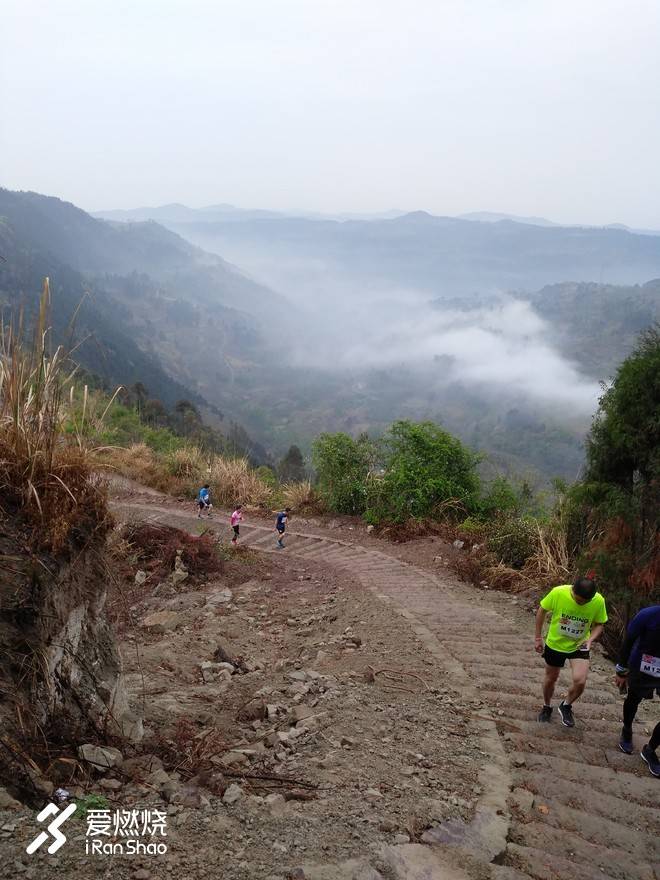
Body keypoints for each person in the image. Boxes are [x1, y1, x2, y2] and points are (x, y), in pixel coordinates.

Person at [535, 576, 608, 727]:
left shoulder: (598, 601)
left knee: (580, 681)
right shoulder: (558, 593)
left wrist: (589, 640)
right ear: (572, 590)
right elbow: (542, 610)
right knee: (551, 678)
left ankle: (566, 705)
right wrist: (537, 637)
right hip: (555, 644)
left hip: (579, 645)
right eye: (578, 599)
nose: (580, 603)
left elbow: (600, 624)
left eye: (584, 602)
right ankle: (546, 706)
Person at [614, 604, 660, 777]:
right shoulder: (648, 615)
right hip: (642, 665)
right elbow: (629, 640)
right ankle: (627, 729)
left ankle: (651, 749)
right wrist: (621, 670)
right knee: (633, 700)